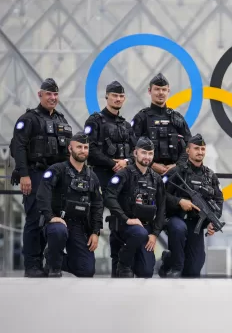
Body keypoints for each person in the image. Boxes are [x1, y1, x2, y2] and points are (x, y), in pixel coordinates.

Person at [9, 78, 73, 277]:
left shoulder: (61, 120)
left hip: (56, 179)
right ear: (40, 95)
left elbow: (68, 152)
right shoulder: (28, 119)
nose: (53, 98)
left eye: (55, 94)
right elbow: (17, 148)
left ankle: (48, 262)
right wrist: (24, 174)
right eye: (49, 94)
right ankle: (32, 265)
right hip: (35, 175)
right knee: (34, 220)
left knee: (52, 219)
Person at [83, 80, 137, 277]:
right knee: (92, 219)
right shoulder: (95, 121)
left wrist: (126, 162)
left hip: (122, 180)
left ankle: (119, 266)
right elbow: (90, 150)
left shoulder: (126, 125)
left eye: (121, 96)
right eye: (115, 95)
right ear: (106, 96)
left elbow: (137, 151)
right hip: (100, 177)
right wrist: (113, 163)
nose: (118, 99)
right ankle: (85, 263)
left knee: (120, 222)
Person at [36, 132, 103, 277]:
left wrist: (95, 231)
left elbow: (98, 205)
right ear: (70, 148)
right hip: (58, 222)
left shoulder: (92, 176)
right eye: (79, 147)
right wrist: (50, 217)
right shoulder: (57, 170)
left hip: (79, 225)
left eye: (86, 147)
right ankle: (54, 268)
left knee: (86, 271)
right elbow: (43, 194)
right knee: (58, 231)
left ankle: (53, 257)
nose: (83, 150)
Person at [159, 134, 224, 278]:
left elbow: (219, 200)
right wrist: (179, 202)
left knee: (194, 270)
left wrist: (214, 221)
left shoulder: (210, 176)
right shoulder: (176, 171)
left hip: (196, 224)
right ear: (188, 150)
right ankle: (175, 266)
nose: (200, 152)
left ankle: (168, 259)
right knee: (178, 229)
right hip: (176, 219)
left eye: (202, 149)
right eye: (196, 148)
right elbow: (160, 194)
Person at [103, 137, 166, 278]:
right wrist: (126, 219)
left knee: (146, 272)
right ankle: (123, 263)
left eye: (150, 154)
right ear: (135, 153)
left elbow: (162, 208)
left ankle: (130, 261)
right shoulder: (124, 174)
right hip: (124, 226)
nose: (147, 157)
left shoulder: (157, 179)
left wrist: (154, 234)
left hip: (145, 229)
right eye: (144, 153)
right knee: (138, 234)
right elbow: (109, 197)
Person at [131, 73, 192, 176]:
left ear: (168, 91)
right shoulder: (141, 118)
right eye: (157, 89)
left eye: (164, 90)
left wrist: (177, 165)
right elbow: (132, 146)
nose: (161, 93)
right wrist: (152, 164)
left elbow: (190, 145)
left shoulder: (177, 118)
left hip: (176, 175)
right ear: (149, 91)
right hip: (147, 174)